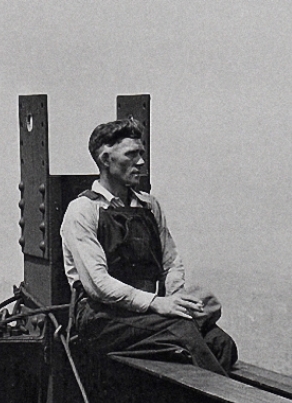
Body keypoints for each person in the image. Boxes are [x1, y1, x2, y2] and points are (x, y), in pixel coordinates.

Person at [60, 119, 237, 376]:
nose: (141, 162)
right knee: (184, 333)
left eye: (141, 154)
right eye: (132, 154)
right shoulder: (83, 210)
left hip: (145, 314)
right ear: (106, 159)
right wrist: (157, 304)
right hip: (102, 319)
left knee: (222, 343)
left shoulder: (149, 206)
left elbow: (171, 260)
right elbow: (97, 285)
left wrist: (176, 300)